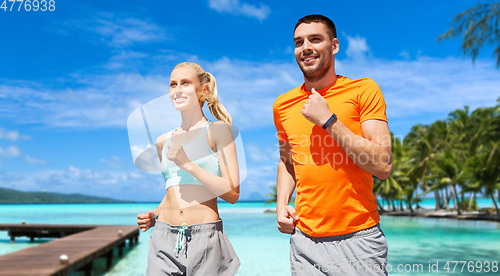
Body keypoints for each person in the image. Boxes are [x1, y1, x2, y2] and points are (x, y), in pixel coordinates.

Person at [273, 15, 392, 275]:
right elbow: (287, 159)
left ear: (334, 46)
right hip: (304, 241)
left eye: (315, 39)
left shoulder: (363, 90)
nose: (305, 47)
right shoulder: (282, 105)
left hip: (358, 241)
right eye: (298, 42)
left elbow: (383, 165)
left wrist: (328, 120)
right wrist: (282, 204)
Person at [136, 62, 240, 276]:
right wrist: (154, 215)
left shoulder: (218, 131)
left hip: (205, 241)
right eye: (173, 84)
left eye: (185, 83)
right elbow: (172, 190)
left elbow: (232, 192)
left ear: (204, 89)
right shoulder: (162, 141)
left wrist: (188, 164)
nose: (178, 90)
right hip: (163, 238)